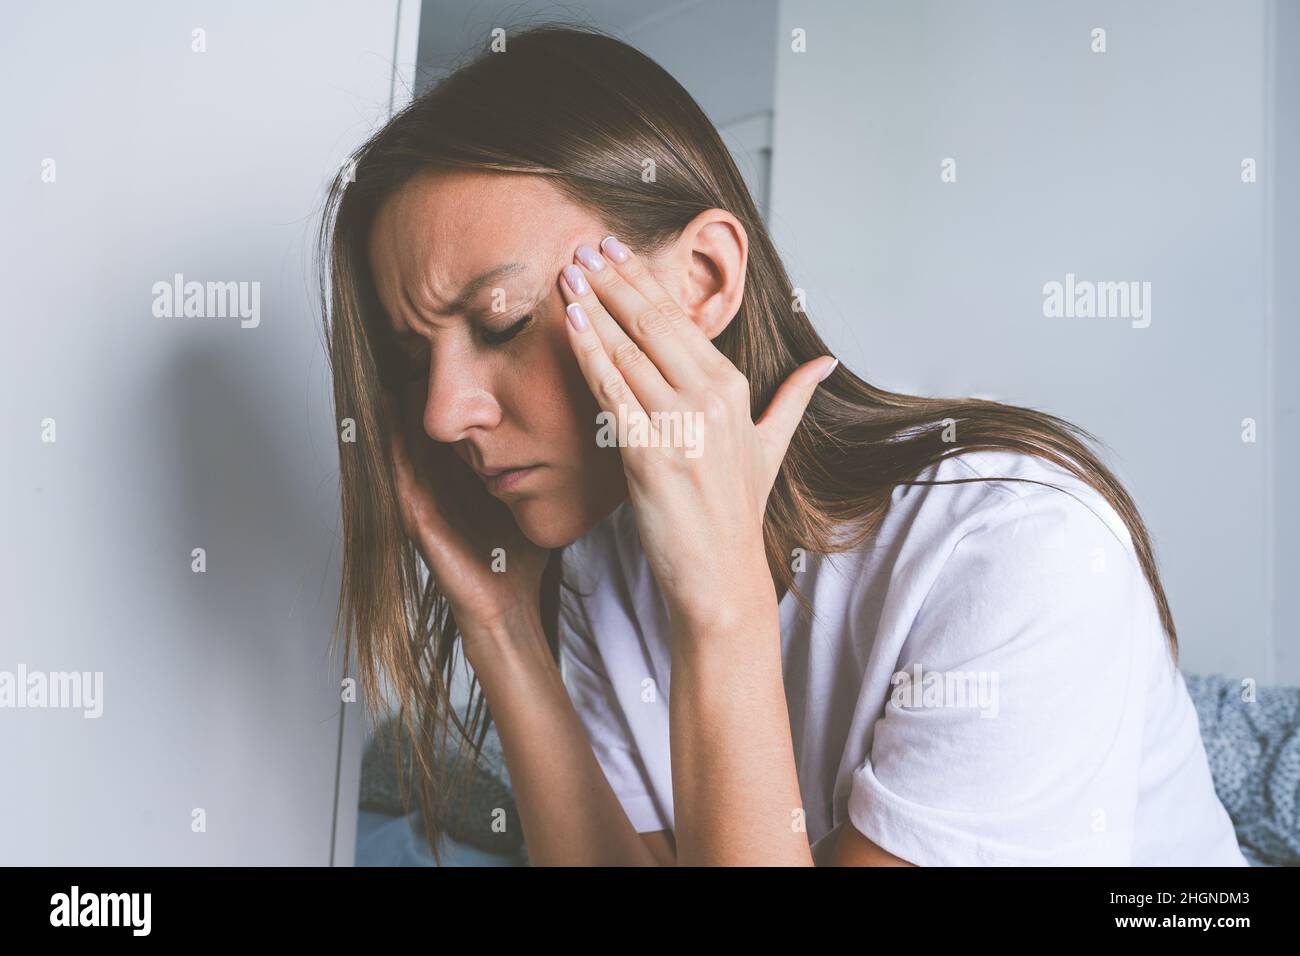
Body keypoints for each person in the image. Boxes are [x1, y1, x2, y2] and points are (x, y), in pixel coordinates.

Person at [319, 24, 1246, 866]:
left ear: (705, 281)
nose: (441, 415)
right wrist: (503, 630)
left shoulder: (1017, 551)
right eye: (412, 359)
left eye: (504, 320)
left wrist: (722, 605)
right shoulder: (604, 554)